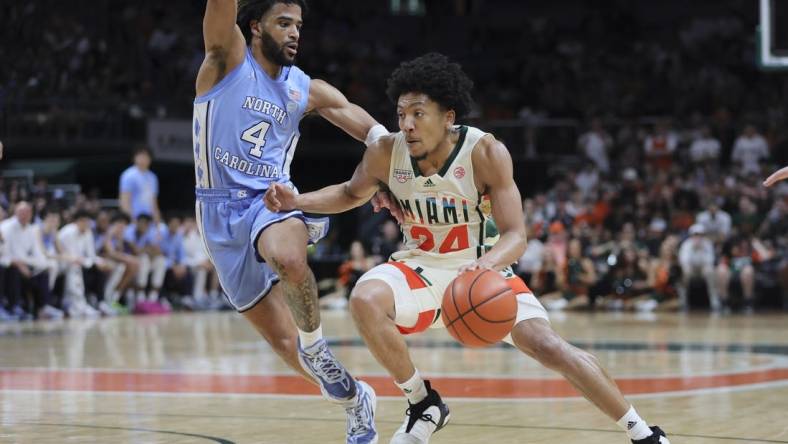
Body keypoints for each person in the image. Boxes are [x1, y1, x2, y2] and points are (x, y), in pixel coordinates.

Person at [264, 53, 670, 444]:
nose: (406, 123)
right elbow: (350, 193)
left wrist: (486, 265)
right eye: (401, 114)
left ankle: (643, 432)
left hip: (483, 271)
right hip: (419, 268)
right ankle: (422, 400)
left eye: (418, 113)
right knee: (365, 298)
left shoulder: (486, 152)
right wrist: (296, 201)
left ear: (448, 117)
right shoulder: (386, 151)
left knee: (551, 348)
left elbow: (516, 235)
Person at [193, 1, 391, 441]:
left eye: (298, 25)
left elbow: (366, 127)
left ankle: (317, 344)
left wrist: (388, 149)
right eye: (284, 23)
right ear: (255, 27)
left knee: (287, 257)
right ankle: (356, 399)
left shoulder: (304, 88)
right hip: (217, 214)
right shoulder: (225, 60)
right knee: (284, 345)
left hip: (273, 200)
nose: (295, 32)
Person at [119, 146, 161, 222]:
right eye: (140, 156)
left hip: (148, 220)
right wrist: (132, 221)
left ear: (150, 159)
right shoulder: (128, 175)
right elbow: (124, 202)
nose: (143, 159)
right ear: (134, 158)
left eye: (145, 156)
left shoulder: (153, 177)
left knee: (163, 229)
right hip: (134, 219)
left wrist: (158, 223)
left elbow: (154, 203)